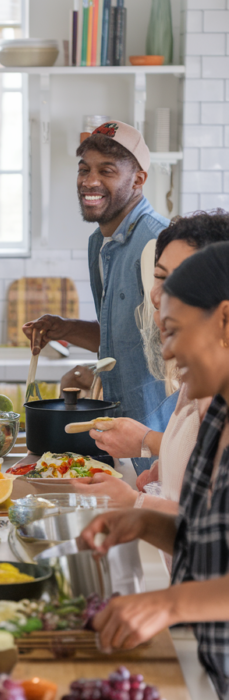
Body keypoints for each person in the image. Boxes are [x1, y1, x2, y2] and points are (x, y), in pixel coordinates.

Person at [80, 242, 229, 700]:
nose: (166, 351)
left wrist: (168, 605)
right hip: (211, 680)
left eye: (174, 332)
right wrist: (146, 523)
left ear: (224, 321)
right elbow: (214, 549)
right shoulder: (217, 415)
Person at [22, 121, 174, 440]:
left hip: (156, 436)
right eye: (84, 169)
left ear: (138, 180)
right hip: (120, 432)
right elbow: (122, 340)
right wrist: (64, 328)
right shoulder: (99, 243)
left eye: (107, 171)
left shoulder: (160, 243)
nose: (90, 182)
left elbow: (179, 347)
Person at [72, 211, 229, 520]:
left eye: (182, 278)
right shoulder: (199, 378)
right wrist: (170, 465)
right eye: (159, 276)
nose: (157, 296)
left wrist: (134, 503)